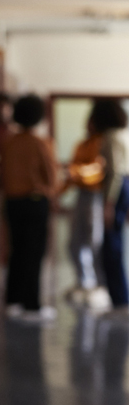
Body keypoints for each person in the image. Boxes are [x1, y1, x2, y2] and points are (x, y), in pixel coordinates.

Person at [0, 94, 58, 322]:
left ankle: (13, 301)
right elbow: (52, 178)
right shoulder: (40, 143)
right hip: (34, 203)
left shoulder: (9, 142)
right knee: (34, 254)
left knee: (16, 251)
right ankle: (31, 306)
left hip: (12, 202)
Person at [64, 122, 109, 309]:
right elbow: (71, 171)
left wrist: (78, 172)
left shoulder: (104, 143)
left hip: (97, 196)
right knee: (75, 242)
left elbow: (98, 170)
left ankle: (99, 285)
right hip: (81, 195)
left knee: (94, 240)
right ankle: (84, 282)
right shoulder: (82, 145)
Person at [91, 99, 129, 313]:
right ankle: (119, 298)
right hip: (123, 187)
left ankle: (120, 301)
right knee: (113, 244)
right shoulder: (121, 135)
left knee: (112, 247)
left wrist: (109, 204)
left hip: (117, 189)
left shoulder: (110, 137)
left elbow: (114, 173)